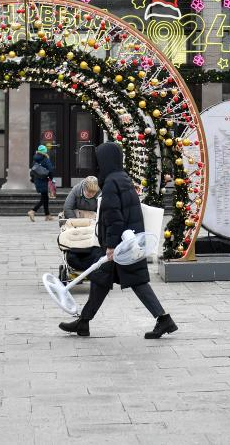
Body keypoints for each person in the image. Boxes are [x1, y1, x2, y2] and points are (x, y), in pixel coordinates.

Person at [58, 142, 176, 339]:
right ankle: (84, 322)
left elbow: (114, 218)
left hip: (122, 244)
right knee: (101, 280)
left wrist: (112, 246)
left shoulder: (112, 183)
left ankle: (163, 319)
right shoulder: (122, 178)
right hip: (128, 240)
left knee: (136, 282)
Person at [28, 144, 54, 222]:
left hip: (37, 180)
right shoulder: (45, 159)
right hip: (44, 180)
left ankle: (47, 215)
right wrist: (51, 179)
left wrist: (33, 180)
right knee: (44, 198)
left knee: (45, 197)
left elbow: (32, 171)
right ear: (45, 152)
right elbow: (50, 170)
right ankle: (33, 211)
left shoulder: (35, 159)